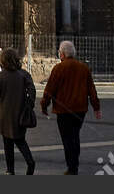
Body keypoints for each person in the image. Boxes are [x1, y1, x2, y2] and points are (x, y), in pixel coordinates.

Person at [39, 40, 101, 175]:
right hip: (80, 109)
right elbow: (92, 90)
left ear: (62, 54)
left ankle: (72, 167)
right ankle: (74, 164)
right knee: (75, 136)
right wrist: (96, 107)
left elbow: (49, 90)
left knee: (67, 139)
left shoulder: (58, 68)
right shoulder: (83, 68)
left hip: (63, 110)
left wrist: (44, 105)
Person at [0, 48, 37, 175]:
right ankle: (30, 162)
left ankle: (10, 170)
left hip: (6, 115)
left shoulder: (1, 76)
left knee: (7, 144)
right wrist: (29, 104)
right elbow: (32, 90)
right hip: (20, 113)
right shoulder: (24, 74)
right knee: (21, 140)